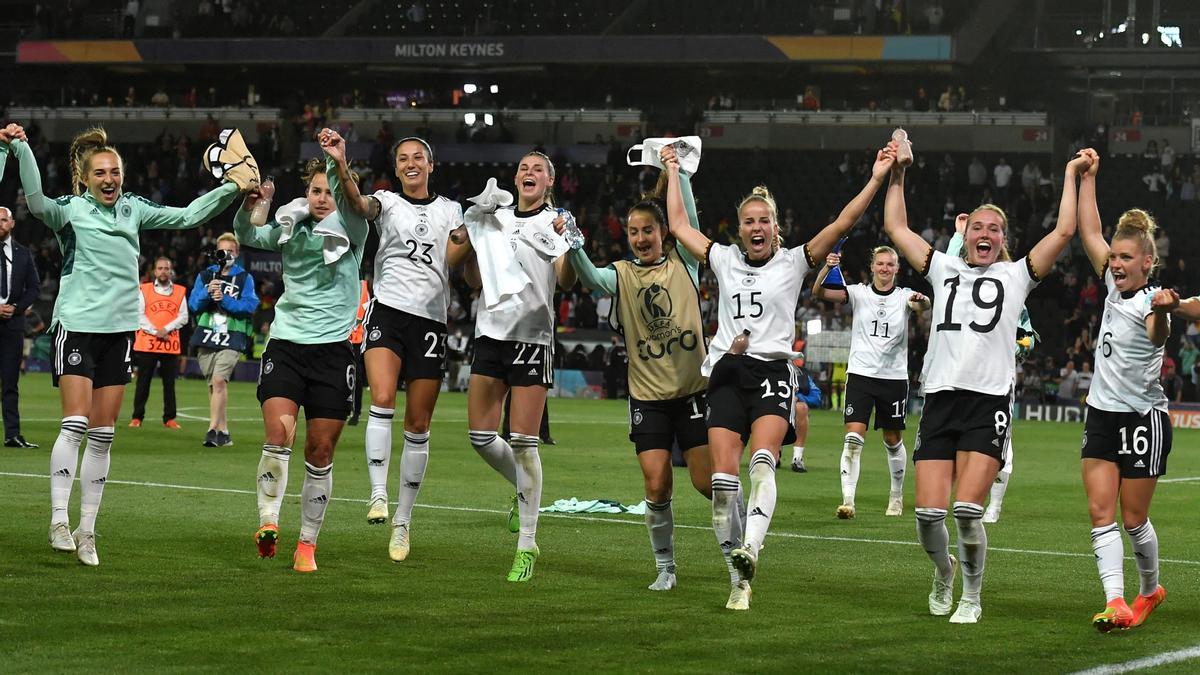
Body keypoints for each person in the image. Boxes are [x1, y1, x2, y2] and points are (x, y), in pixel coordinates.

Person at [665, 143, 896, 610]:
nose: (756, 227)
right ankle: (738, 580)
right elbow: (677, 226)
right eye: (748, 220)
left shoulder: (793, 262)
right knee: (723, 486)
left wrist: (876, 179)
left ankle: (751, 547)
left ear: (775, 227)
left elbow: (842, 224)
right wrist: (673, 169)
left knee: (763, 462)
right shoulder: (724, 258)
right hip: (727, 372)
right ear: (740, 227)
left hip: (772, 371)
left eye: (763, 220)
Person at [6, 124, 245, 566]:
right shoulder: (70, 211)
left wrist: (231, 187)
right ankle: (59, 518)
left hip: (119, 333)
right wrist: (20, 149)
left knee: (103, 436)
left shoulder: (134, 209)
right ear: (86, 176)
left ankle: (88, 530)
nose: (109, 179)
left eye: (115, 171)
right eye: (100, 172)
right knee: (75, 424)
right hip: (76, 326)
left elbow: (189, 216)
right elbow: (36, 202)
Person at [883, 139, 1087, 623]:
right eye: (978, 226)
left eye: (995, 229)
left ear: (1002, 240)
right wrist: (897, 171)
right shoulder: (942, 267)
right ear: (965, 233)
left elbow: (1065, 228)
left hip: (988, 402)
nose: (986, 233)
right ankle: (944, 571)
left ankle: (972, 597)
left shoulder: (1019, 276)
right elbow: (895, 226)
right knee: (928, 517)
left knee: (968, 512)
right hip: (939, 400)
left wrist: (1071, 173)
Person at [564, 160, 713, 592]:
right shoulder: (623, 274)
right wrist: (574, 243)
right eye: (633, 232)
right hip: (647, 398)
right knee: (657, 484)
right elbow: (590, 278)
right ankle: (665, 568)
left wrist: (678, 170)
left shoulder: (686, 260)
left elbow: (689, 217)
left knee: (708, 484)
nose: (641, 238)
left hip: (693, 392)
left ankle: (737, 547)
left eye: (648, 230)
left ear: (664, 232)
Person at [324, 130, 468, 562]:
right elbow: (357, 203)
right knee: (382, 398)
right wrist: (340, 162)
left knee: (418, 424)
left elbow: (454, 260)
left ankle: (404, 522)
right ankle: (377, 495)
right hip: (387, 310)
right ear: (396, 167)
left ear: (430, 164)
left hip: (430, 320)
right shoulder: (386, 202)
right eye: (403, 158)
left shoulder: (450, 210)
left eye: (418, 157)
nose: (410, 163)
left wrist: (471, 232)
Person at [242, 140, 368, 573]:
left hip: (333, 352)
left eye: (329, 191)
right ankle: (268, 523)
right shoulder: (290, 227)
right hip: (287, 345)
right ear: (306, 194)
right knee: (278, 435)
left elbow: (352, 201)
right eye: (316, 190)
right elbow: (247, 234)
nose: (321, 198)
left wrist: (340, 167)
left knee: (320, 449)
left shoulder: (353, 231)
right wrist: (253, 204)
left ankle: (307, 544)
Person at [461, 151, 577, 582]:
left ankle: (527, 545)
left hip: (533, 337)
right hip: (490, 333)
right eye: (523, 168)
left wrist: (570, 242)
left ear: (550, 181)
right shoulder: (496, 217)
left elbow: (566, 281)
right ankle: (521, 487)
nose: (529, 173)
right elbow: (473, 279)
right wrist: (474, 238)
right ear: (514, 178)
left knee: (524, 441)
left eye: (538, 170)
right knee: (479, 436)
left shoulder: (559, 220)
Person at [1075, 148, 1171, 632]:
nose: (1115, 263)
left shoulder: (1153, 304)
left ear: (1147, 262)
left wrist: (1167, 311)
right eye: (1114, 256)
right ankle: (1115, 600)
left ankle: (1150, 589)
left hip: (1142, 420)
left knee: (1134, 519)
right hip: (1101, 413)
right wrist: (1089, 177)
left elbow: (1158, 336)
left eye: (1126, 257)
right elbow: (1090, 231)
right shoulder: (1114, 288)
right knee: (1099, 510)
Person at [813, 246, 929, 519]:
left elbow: (922, 306)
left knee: (892, 439)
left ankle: (896, 496)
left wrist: (922, 301)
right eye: (881, 264)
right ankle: (848, 501)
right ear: (873, 266)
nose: (885, 268)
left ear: (897, 269)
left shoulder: (903, 297)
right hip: (861, 376)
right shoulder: (858, 293)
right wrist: (827, 268)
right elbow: (819, 292)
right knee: (853, 439)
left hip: (893, 378)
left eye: (890, 264)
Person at [940, 214, 1039, 525]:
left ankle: (994, 504)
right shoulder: (961, 278)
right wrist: (958, 235)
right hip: (959, 376)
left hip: (997, 378)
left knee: (1001, 442)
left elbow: (1028, 335)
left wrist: (1019, 346)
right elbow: (950, 264)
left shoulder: (1011, 287)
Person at [189, 232, 259, 447]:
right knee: (213, 385)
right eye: (222, 251)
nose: (226, 255)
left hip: (233, 334)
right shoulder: (205, 276)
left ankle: (211, 430)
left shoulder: (245, 278)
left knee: (219, 380)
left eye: (230, 251)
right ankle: (224, 431)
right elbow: (193, 305)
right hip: (207, 334)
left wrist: (225, 300)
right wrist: (207, 294)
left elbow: (250, 305)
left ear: (236, 254)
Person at [0, 204, 42, 448]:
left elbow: (34, 288)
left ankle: (12, 434)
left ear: (12, 223)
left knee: (10, 382)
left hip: (13, 325)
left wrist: (15, 308)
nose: (0, 225)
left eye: (3, 220)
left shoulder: (23, 253)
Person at [129, 257, 187, 429]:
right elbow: (138, 315)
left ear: (171, 271)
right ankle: (137, 417)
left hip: (169, 344)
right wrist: (157, 332)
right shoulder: (144, 289)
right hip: (149, 342)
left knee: (169, 383)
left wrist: (165, 330)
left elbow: (183, 316)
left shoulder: (179, 291)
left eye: (166, 268)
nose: (163, 271)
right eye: (160, 268)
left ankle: (169, 418)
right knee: (143, 382)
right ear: (154, 271)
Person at [789, 367, 822, 473]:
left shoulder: (801, 375)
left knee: (801, 407)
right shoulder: (767, 368)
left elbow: (816, 398)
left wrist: (799, 397)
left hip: (791, 414)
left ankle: (797, 458)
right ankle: (773, 453)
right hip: (772, 412)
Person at [346, 280, 369, 425]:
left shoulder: (363, 286)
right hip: (345, 336)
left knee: (357, 378)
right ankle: (349, 409)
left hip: (357, 339)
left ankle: (355, 411)